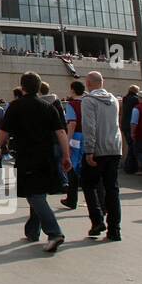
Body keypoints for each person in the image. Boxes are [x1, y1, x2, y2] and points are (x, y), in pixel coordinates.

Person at [0, 71, 71, 253]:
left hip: (27, 157)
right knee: (38, 193)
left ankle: (54, 232)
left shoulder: (15, 106)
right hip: (48, 157)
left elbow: (4, 132)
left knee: (34, 195)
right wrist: (66, 156)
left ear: (22, 87)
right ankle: (32, 231)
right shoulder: (48, 107)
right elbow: (61, 132)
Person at [80, 71, 123, 241]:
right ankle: (115, 230)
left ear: (88, 83)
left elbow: (89, 126)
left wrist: (89, 150)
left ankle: (97, 219)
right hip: (114, 148)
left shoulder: (89, 101)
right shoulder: (113, 100)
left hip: (98, 149)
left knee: (88, 184)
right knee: (112, 189)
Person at [60, 80, 85, 209]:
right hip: (89, 136)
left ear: (73, 90)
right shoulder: (88, 102)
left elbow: (72, 123)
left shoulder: (72, 104)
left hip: (76, 137)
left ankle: (72, 198)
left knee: (72, 168)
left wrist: (67, 141)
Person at [120, 84, 142, 174]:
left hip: (125, 125)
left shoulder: (125, 99)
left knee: (131, 146)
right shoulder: (136, 99)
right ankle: (129, 167)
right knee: (133, 147)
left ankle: (130, 167)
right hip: (131, 125)